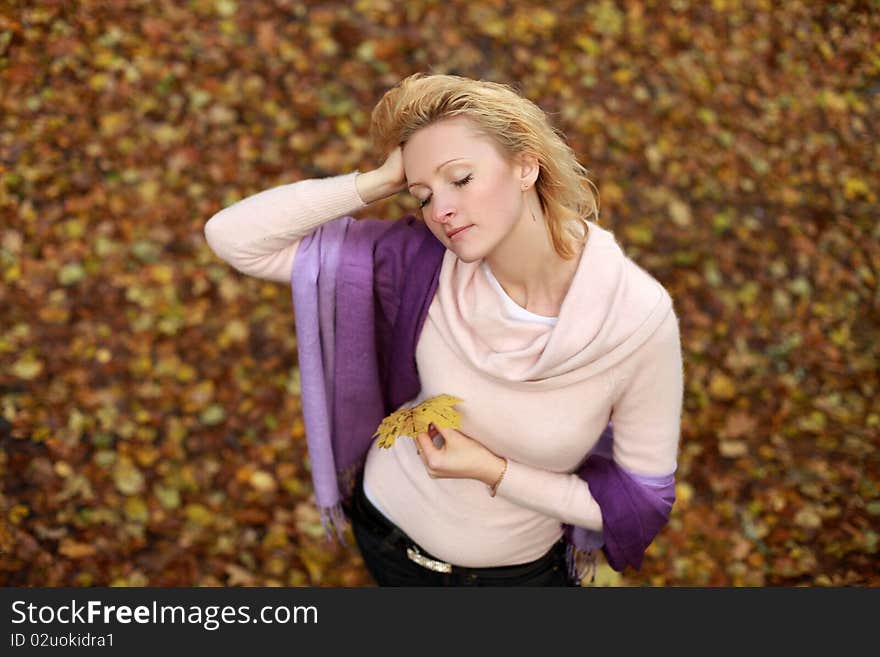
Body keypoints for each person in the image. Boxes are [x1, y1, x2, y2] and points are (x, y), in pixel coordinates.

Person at [204, 72, 684, 587]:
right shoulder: (421, 263)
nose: (442, 211)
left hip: (513, 578)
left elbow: (641, 503)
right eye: (423, 196)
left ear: (525, 165)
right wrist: (381, 180)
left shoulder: (636, 322)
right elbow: (233, 238)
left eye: (460, 179)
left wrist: (492, 470)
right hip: (384, 531)